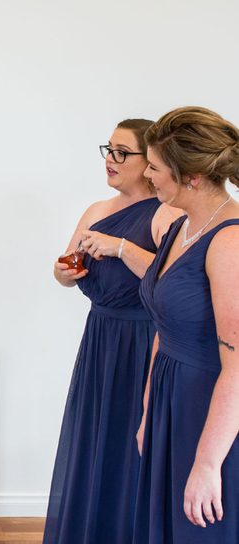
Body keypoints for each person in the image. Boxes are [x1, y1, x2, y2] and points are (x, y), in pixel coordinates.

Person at [43, 119, 179, 544]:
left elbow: (170, 282)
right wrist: (67, 271)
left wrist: (121, 248)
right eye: (109, 149)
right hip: (100, 338)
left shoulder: (167, 213)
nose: (111, 160)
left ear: (150, 160)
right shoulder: (97, 210)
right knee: (97, 438)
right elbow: (66, 269)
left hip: (144, 342)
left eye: (123, 152)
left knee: (130, 442)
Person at [134, 106, 239, 543]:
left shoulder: (230, 241)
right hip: (167, 402)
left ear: (191, 176)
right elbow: (164, 325)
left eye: (155, 168)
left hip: (208, 408)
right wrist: (146, 414)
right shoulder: (180, 226)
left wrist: (208, 462)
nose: (148, 177)